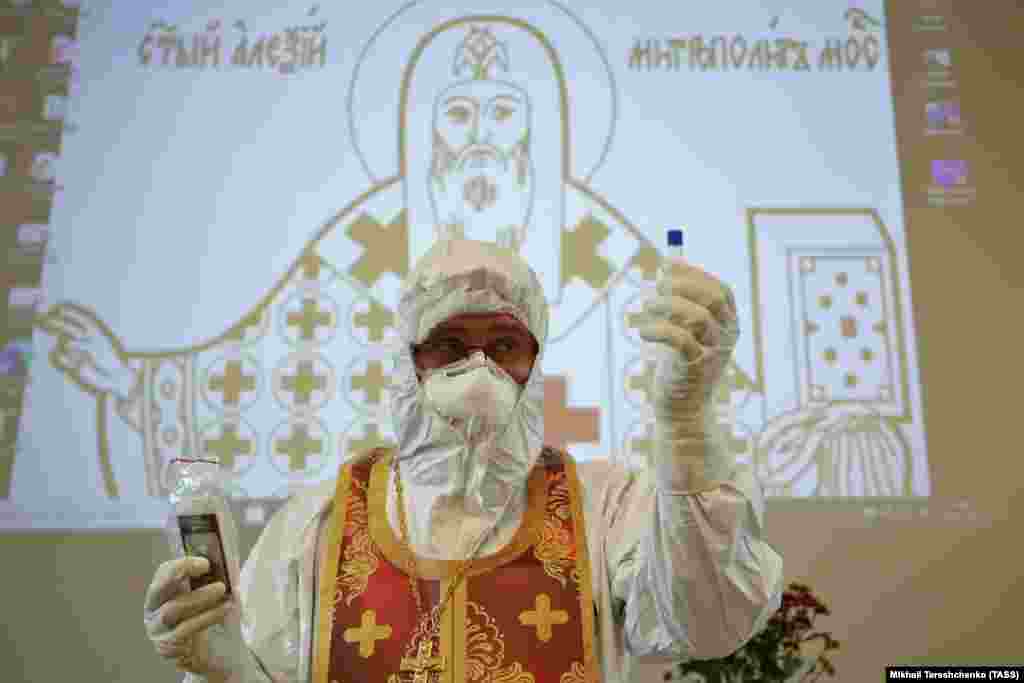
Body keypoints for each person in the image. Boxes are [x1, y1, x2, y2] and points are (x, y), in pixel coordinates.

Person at [144, 238, 784, 683]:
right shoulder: (319, 522)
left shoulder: (604, 505)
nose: (479, 368)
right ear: (409, 360)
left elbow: (709, 624)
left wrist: (686, 424)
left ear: (534, 361)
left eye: (504, 343)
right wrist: (221, 663)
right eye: (449, 344)